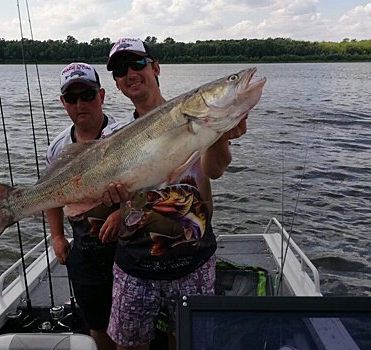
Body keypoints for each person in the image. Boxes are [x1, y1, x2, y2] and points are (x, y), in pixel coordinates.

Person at [101, 38, 248, 350]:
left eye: (137, 63)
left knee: (188, 342)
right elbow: (122, 201)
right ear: (116, 84)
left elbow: (215, 170)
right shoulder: (113, 139)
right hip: (135, 264)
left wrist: (220, 133)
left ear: (156, 68)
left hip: (192, 260)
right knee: (129, 345)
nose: (130, 73)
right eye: (119, 69)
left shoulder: (196, 119)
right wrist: (113, 205)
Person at [44, 62, 119, 350]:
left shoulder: (124, 133)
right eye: (72, 98)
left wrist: (120, 212)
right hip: (84, 249)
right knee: (96, 321)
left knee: (132, 321)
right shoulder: (58, 147)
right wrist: (58, 236)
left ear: (101, 95)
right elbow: (49, 194)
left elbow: (147, 186)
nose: (80, 104)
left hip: (126, 244)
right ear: (63, 102)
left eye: (87, 95)